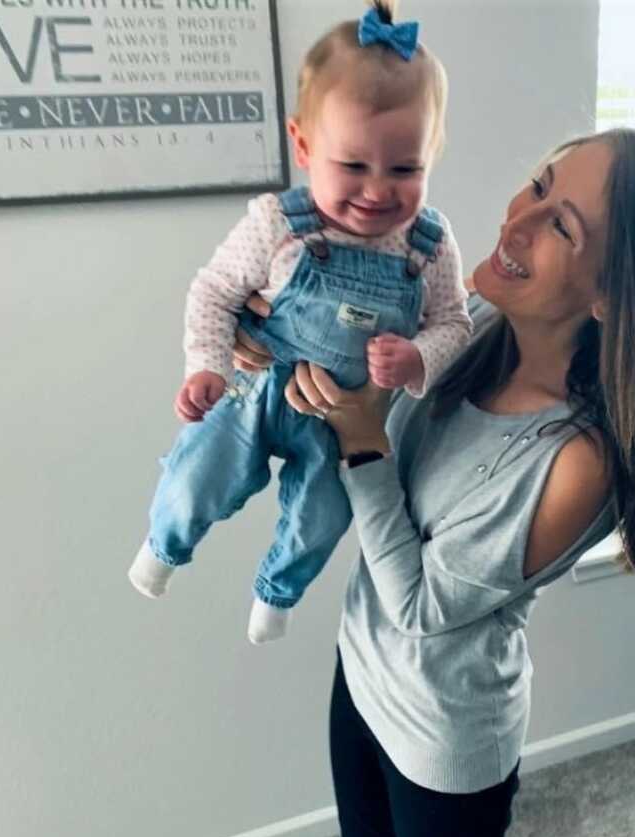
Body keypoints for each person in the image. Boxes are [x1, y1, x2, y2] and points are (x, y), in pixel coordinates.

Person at [232, 127, 635, 837]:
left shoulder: (576, 461)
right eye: (540, 184)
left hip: (443, 735)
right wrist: (273, 338)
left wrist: (364, 446)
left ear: (611, 295)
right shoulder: (471, 325)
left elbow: (421, 605)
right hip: (361, 673)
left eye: (562, 226)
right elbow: (355, 361)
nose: (518, 221)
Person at [128, 0, 471, 644]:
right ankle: (163, 547)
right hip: (258, 387)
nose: (377, 191)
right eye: (353, 166)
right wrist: (204, 363)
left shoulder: (428, 243)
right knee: (199, 472)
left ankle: (275, 594)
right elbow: (215, 290)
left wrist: (420, 357)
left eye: (405, 169)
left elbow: (455, 323)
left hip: (342, 415)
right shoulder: (278, 225)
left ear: (433, 155)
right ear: (305, 146)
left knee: (322, 514)